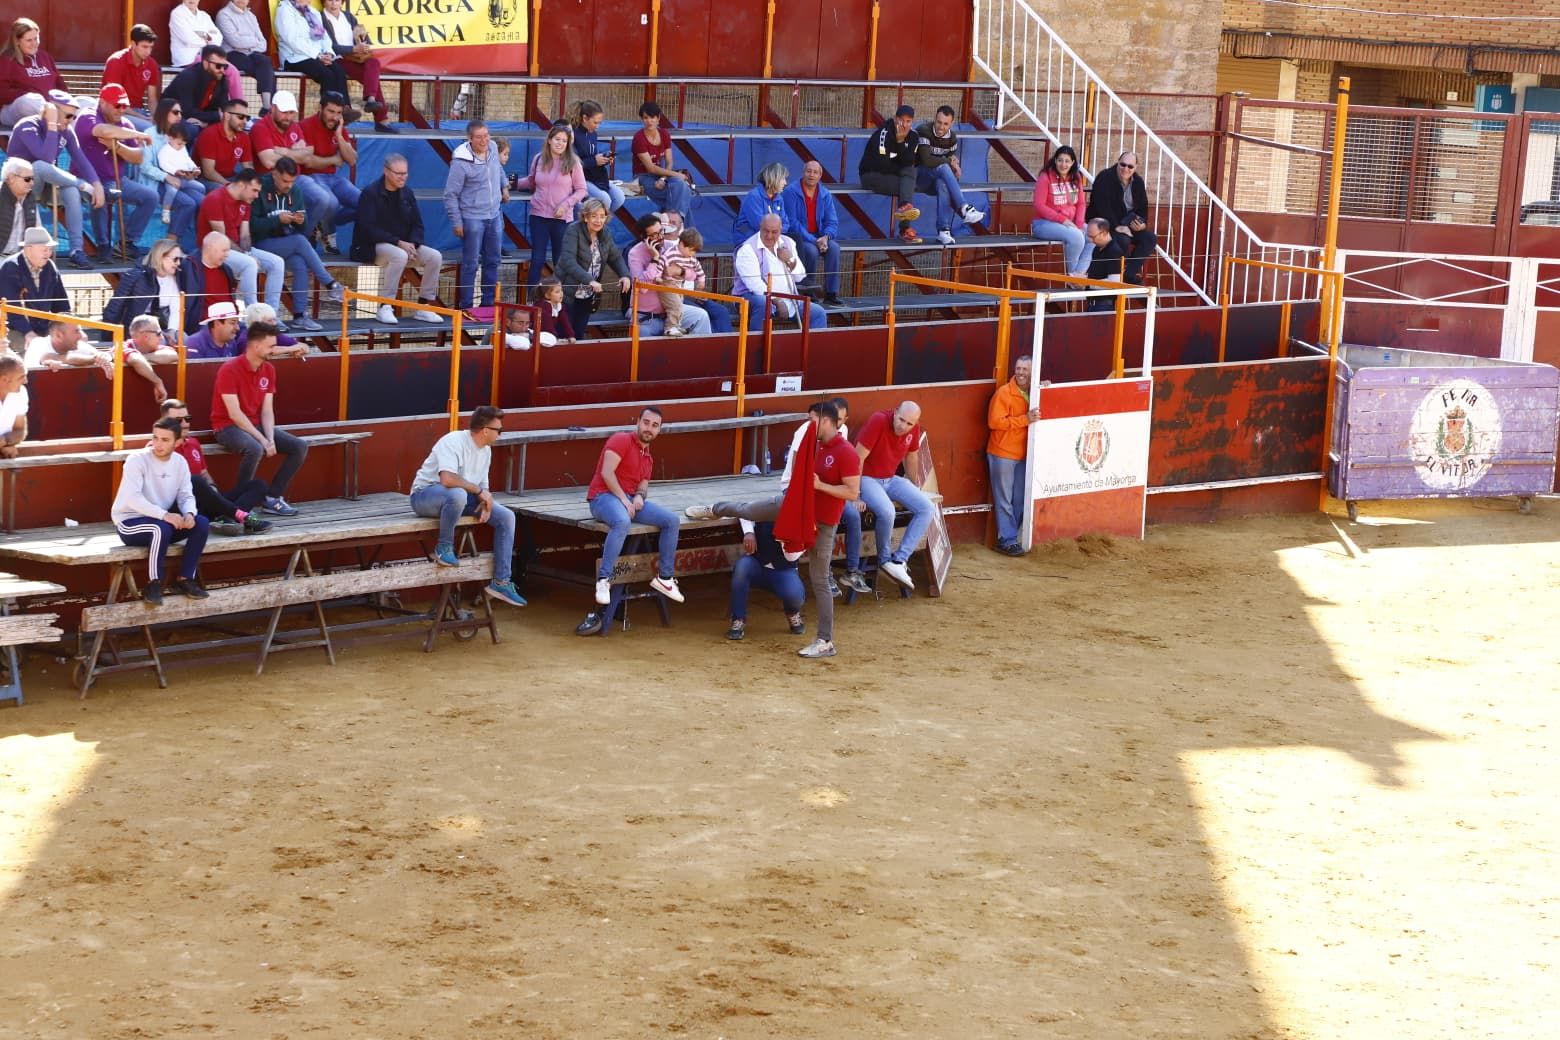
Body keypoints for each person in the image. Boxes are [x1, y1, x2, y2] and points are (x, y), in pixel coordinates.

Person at [686, 398, 868, 597]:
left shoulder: (840, 437)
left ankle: (851, 571)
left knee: (851, 516)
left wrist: (822, 487)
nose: (838, 423)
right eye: (836, 419)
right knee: (752, 513)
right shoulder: (808, 431)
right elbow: (798, 467)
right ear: (827, 419)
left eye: (841, 420)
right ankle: (714, 509)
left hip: (822, 503)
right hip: (796, 493)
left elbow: (848, 487)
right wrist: (806, 489)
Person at [409, 405, 528, 608]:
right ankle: (443, 547)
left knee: (506, 516)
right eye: (499, 430)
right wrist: (479, 492)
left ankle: (501, 582)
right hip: (424, 497)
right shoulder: (453, 441)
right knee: (458, 494)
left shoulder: (486, 450)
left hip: (460, 500)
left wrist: (485, 501)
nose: (500, 434)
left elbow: (483, 487)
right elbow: (447, 479)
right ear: (485, 430)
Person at [778, 401, 861, 659]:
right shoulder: (815, 446)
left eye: (812, 419)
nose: (809, 424)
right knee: (756, 509)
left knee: (820, 579)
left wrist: (820, 486)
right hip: (805, 515)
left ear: (825, 420)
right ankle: (715, 508)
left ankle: (825, 641)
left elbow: (852, 492)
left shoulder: (846, 452)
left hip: (824, 523)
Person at [585, 406, 684, 606]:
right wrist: (624, 500)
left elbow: (643, 486)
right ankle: (603, 580)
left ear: (659, 430)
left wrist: (639, 496)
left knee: (672, 521)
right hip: (602, 497)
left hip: (628, 500)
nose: (649, 428)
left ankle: (665, 578)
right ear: (637, 421)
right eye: (646, 422)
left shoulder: (648, 457)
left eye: (654, 425)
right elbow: (606, 472)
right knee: (622, 522)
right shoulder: (621, 440)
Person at [210, 319, 307, 516]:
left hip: (254, 424)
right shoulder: (229, 369)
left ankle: (273, 498)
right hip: (226, 426)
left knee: (299, 446)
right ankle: (240, 506)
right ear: (255, 346)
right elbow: (234, 414)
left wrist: (270, 438)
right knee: (255, 448)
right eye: (271, 346)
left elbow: (267, 411)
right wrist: (263, 440)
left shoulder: (269, 369)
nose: (275, 350)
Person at [111, 416, 211, 605]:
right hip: (129, 523)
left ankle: (185, 579)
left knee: (201, 523)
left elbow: (186, 495)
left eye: (165, 440)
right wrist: (165, 515)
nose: (158, 444)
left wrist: (189, 514)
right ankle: (153, 584)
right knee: (160, 528)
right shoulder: (136, 460)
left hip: (160, 521)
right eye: (155, 437)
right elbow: (132, 498)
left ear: (177, 442)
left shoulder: (180, 462)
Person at [5, 92, 105, 269]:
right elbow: (46, 158)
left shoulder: (66, 131)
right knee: (38, 166)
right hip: (20, 189)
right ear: (52, 110)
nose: (71, 121)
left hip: (44, 187)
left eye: (74, 117)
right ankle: (83, 186)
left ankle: (76, 251)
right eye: (68, 116)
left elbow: (81, 160)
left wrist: (97, 186)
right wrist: (52, 124)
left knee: (71, 190)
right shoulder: (27, 126)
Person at [252, 156, 348, 331]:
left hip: (284, 243)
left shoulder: (294, 190)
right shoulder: (260, 187)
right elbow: (252, 226)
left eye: (292, 181)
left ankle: (300, 315)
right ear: (274, 174)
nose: (289, 185)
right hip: (260, 244)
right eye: (285, 181)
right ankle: (330, 284)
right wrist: (277, 220)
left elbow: (302, 226)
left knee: (300, 264)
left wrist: (300, 221)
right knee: (300, 241)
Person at [351, 154, 444, 324]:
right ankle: (385, 306)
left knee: (435, 257)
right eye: (398, 173)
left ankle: (424, 306)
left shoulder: (407, 193)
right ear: (386, 171)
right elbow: (368, 229)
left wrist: (414, 243)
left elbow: (418, 224)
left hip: (403, 245)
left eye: (405, 173)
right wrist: (398, 243)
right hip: (371, 246)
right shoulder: (370, 193)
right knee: (399, 255)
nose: (403, 177)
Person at [161, 396, 272, 536]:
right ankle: (242, 518)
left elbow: (204, 473)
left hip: (210, 502)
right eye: (178, 420)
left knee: (259, 485)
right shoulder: (159, 448)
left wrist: (212, 487)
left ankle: (227, 518)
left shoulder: (193, 443)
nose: (185, 424)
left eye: (187, 419)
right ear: (164, 421)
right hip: (186, 508)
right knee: (195, 481)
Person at [855, 401, 933, 591]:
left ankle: (899, 560)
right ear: (895, 412)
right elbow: (858, 457)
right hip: (867, 478)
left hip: (891, 479)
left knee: (927, 507)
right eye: (901, 420)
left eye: (909, 423)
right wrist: (854, 493)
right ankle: (884, 561)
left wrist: (915, 487)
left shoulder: (914, 429)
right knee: (888, 512)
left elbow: (911, 457)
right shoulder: (879, 420)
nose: (903, 426)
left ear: (915, 423)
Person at [76, 85, 158, 260]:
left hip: (117, 179)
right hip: (86, 178)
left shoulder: (125, 124)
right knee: (104, 192)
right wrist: (138, 134)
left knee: (150, 197)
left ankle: (125, 243)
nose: (121, 110)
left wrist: (117, 146)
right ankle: (103, 245)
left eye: (124, 106)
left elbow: (138, 158)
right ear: (102, 102)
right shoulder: (88, 115)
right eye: (117, 105)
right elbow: (103, 130)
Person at [250, 90, 335, 239]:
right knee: (323, 199)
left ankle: (301, 237)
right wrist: (295, 152)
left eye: (291, 113)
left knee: (325, 200)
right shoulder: (260, 127)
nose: (288, 117)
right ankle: (298, 239)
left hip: (297, 177)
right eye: (284, 112)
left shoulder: (293, 126)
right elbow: (268, 161)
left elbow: (307, 156)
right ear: (273, 108)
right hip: (271, 179)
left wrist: (283, 151)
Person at [23, 319, 171, 403]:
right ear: (58, 335)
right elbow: (51, 358)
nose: (82, 336)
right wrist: (94, 359)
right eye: (76, 331)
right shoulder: (38, 344)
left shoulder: (78, 345)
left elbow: (102, 355)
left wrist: (102, 358)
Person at [199, 168, 284, 313]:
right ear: (241, 185)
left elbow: (245, 235)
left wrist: (248, 253)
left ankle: (271, 315)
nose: (257, 195)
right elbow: (221, 238)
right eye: (254, 190)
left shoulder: (246, 202)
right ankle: (254, 314)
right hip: (214, 250)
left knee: (277, 263)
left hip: (235, 249)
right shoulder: (215, 199)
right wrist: (247, 256)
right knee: (249, 264)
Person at [442, 120, 504, 310]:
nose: (484, 140)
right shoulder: (460, 163)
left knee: (493, 260)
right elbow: (450, 194)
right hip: (472, 217)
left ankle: (488, 304)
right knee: (471, 263)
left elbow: (498, 168)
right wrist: (457, 222)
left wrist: (504, 186)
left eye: (486, 135)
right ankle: (466, 306)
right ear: (469, 138)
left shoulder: (493, 148)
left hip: (494, 214)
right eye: (479, 137)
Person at [516, 124, 586, 288]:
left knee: (559, 260)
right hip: (538, 216)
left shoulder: (573, 163)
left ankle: (560, 297)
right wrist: (510, 183)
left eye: (564, 141)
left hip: (561, 218)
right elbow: (531, 181)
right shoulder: (539, 159)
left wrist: (565, 205)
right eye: (557, 139)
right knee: (537, 259)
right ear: (549, 140)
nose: (560, 143)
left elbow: (582, 190)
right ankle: (532, 298)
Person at [732, 214, 827, 332]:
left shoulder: (788, 242)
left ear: (780, 230)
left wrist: (790, 260)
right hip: (751, 298)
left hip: (789, 299)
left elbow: (799, 276)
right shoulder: (748, 249)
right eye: (766, 231)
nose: (769, 236)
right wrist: (777, 300)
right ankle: (756, 343)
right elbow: (755, 285)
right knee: (763, 304)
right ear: (760, 227)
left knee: (818, 313)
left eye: (774, 232)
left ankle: (812, 345)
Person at [987, 355, 1041, 556]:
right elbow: (994, 422)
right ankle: (1008, 539)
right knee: (1005, 499)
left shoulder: (1035, 391)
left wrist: (1046, 387)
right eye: (1018, 368)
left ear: (1032, 372)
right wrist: (1025, 419)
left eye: (1025, 369)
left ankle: (1009, 537)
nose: (1020, 373)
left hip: (1024, 454)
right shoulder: (1004, 393)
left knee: (1019, 499)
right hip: (1003, 453)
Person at [626, 213, 711, 337]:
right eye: (654, 235)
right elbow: (642, 288)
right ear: (643, 237)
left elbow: (693, 274)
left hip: (671, 310)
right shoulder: (635, 254)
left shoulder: (671, 247)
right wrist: (655, 259)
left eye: (661, 231)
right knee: (641, 334)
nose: (660, 237)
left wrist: (680, 272)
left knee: (701, 316)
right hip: (647, 316)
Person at [558, 198, 631, 340]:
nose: (598, 220)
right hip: (566, 292)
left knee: (579, 334)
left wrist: (625, 275)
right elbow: (568, 261)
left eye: (602, 216)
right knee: (564, 335)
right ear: (585, 217)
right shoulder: (573, 230)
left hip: (587, 295)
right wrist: (589, 280)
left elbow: (615, 257)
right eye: (594, 216)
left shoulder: (605, 232)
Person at [104, 238, 207, 335]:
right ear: (161, 257)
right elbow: (115, 306)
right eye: (175, 259)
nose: (179, 263)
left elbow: (176, 310)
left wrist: (172, 332)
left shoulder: (177, 278)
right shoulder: (135, 275)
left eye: (180, 259)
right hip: (135, 331)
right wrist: (108, 336)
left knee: (185, 339)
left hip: (162, 329)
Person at [297, 91, 360, 251]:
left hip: (333, 178)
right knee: (331, 202)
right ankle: (324, 231)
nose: (334, 117)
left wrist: (339, 136)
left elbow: (352, 159)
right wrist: (333, 160)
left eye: (339, 113)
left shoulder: (339, 127)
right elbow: (308, 161)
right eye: (331, 111)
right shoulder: (305, 125)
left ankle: (325, 222)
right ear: (320, 108)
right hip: (310, 176)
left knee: (365, 202)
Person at [320, 0, 395, 133]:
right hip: (337, 59)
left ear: (342, 2)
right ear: (324, 2)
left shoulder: (348, 16)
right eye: (329, 0)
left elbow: (366, 41)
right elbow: (329, 46)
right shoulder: (321, 18)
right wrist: (353, 49)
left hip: (355, 57)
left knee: (374, 63)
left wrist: (363, 41)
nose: (333, 3)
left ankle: (371, 99)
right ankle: (381, 118)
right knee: (372, 80)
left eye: (337, 0)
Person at [915, 105, 985, 245]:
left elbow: (950, 158)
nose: (941, 127)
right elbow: (926, 160)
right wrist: (949, 162)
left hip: (934, 181)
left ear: (951, 124)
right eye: (939, 122)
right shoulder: (924, 131)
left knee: (942, 184)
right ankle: (964, 207)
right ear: (935, 119)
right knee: (943, 166)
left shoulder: (952, 139)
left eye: (945, 124)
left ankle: (943, 230)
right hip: (918, 177)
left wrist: (954, 164)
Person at [725, 521, 806, 642]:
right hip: (757, 563)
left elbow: (792, 557)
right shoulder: (765, 509)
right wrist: (748, 532)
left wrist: (787, 538)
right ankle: (738, 619)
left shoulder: (797, 517)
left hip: (783, 569)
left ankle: (792, 612)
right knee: (742, 568)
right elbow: (745, 512)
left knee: (794, 596)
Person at [1086, 150, 1157, 284]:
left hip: (1128, 225)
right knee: (1123, 239)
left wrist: (1142, 224)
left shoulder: (1138, 182)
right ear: (1118, 163)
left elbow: (1143, 208)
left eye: (1130, 166)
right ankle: (1116, 274)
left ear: (1136, 167)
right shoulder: (1105, 177)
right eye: (1123, 164)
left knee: (1149, 238)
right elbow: (1102, 207)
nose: (1126, 169)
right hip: (1105, 224)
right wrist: (1117, 226)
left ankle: (1128, 273)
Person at [858, 104, 923, 244]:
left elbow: (910, 161)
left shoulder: (913, 136)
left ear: (912, 122)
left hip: (894, 175)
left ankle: (904, 207)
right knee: (908, 186)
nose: (904, 125)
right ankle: (904, 229)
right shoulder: (883, 134)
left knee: (909, 177)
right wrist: (902, 166)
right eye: (901, 120)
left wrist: (900, 142)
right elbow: (882, 165)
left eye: (908, 121)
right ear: (895, 119)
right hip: (871, 175)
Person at [781, 160, 842, 306]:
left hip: (820, 236)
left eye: (815, 172)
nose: (811, 175)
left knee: (834, 248)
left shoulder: (825, 194)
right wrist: (814, 240)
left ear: (820, 175)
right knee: (811, 251)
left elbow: (832, 221)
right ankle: (809, 291)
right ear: (803, 172)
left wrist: (826, 237)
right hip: (800, 237)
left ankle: (831, 293)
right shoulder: (790, 192)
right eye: (808, 171)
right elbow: (792, 222)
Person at [0, 227, 68, 353]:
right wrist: (28, 333)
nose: (48, 253)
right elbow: (11, 309)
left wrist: (68, 327)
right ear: (28, 249)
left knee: (67, 347)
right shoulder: (11, 267)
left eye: (50, 249)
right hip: (14, 329)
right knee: (35, 352)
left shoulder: (50, 267)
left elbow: (61, 303)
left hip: (43, 328)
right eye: (44, 249)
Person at [274, 0, 352, 104]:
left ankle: (344, 108)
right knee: (327, 74)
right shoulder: (285, 9)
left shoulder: (312, 11)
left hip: (317, 56)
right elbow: (291, 40)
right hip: (294, 57)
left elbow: (324, 37)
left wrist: (328, 53)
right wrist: (317, 55)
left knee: (339, 72)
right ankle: (328, 110)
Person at [1030, 145, 1090, 277]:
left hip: (1070, 223)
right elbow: (1039, 205)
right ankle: (1073, 277)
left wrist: (1079, 224)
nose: (1063, 164)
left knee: (1093, 235)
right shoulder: (1045, 177)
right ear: (1055, 160)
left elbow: (1081, 203)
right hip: (1044, 224)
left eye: (1067, 161)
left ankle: (1078, 274)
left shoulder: (1076, 177)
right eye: (1060, 160)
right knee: (1076, 237)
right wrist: (1063, 220)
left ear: (1073, 162)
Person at [169, 0, 243, 106]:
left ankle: (239, 107)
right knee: (218, 69)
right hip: (188, 59)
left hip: (208, 57)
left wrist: (201, 35)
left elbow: (218, 38)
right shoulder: (177, 14)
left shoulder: (204, 16)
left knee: (232, 71)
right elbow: (188, 38)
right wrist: (207, 37)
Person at [631, 101, 692, 224]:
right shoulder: (639, 138)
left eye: (652, 117)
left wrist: (663, 178)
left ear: (658, 118)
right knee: (681, 194)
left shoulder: (664, 134)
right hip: (643, 176)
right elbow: (650, 168)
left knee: (680, 187)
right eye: (645, 118)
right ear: (642, 119)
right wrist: (676, 174)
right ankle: (681, 230)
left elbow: (669, 162)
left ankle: (671, 226)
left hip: (661, 174)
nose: (649, 121)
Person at [214, 0, 277, 116]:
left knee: (266, 62)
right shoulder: (223, 15)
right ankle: (268, 110)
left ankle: (266, 106)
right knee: (265, 70)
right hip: (232, 54)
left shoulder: (251, 16)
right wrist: (254, 41)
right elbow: (235, 42)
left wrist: (245, 40)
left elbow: (263, 44)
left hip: (251, 53)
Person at [0, 17, 67, 127]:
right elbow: (2, 92)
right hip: (14, 109)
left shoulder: (45, 57)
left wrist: (64, 101)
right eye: (29, 40)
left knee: (84, 102)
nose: (34, 43)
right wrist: (29, 94)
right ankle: (57, 122)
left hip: (49, 106)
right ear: (17, 41)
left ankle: (68, 128)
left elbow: (59, 84)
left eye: (36, 39)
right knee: (31, 100)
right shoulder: (7, 60)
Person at [162, 44, 233, 142]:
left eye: (225, 67)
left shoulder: (222, 80)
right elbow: (187, 110)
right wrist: (216, 116)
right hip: (171, 116)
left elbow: (224, 110)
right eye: (218, 66)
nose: (222, 71)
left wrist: (207, 122)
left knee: (227, 129)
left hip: (196, 118)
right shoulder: (188, 77)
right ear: (205, 63)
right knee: (192, 129)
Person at [101, 23, 161, 129]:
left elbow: (152, 100)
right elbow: (114, 102)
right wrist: (142, 118)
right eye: (144, 47)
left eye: (151, 47)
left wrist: (156, 119)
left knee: (164, 130)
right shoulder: (116, 62)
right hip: (116, 112)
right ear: (133, 44)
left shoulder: (152, 64)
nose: (148, 51)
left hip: (139, 111)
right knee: (150, 129)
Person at [571, 99, 623, 214]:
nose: (598, 126)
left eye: (600, 123)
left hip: (596, 176)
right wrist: (594, 161)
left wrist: (604, 158)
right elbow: (572, 165)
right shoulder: (573, 135)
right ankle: (588, 222)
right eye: (595, 123)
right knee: (604, 199)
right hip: (582, 178)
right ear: (585, 118)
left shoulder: (593, 134)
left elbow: (592, 155)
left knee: (619, 197)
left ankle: (596, 222)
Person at [155, 122, 203, 229]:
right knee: (171, 191)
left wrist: (194, 168)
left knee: (201, 187)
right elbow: (163, 164)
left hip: (184, 177)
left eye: (183, 144)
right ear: (170, 138)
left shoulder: (182, 148)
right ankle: (166, 210)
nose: (181, 147)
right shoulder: (165, 150)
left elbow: (187, 160)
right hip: (171, 177)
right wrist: (175, 171)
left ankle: (194, 216)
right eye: (179, 144)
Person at [195, 97, 254, 185]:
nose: (245, 121)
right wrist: (229, 185)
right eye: (241, 117)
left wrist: (253, 182)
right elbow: (209, 172)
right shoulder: (210, 134)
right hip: (206, 180)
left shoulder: (244, 137)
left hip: (230, 177)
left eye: (247, 118)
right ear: (227, 116)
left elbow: (248, 166)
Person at [733, 162, 789, 242]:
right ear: (774, 178)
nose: (785, 183)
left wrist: (776, 231)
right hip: (749, 239)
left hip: (771, 238)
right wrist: (776, 230)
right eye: (783, 179)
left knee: (796, 239)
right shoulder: (753, 197)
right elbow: (759, 225)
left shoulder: (779, 198)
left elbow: (786, 223)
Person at [0, 157, 39, 259]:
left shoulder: (30, 199)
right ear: (11, 178)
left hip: (21, 259)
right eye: (27, 179)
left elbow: (38, 231)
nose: (32, 183)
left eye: (33, 179)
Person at [1083, 218, 1126, 311]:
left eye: (1093, 237)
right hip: (1093, 302)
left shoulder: (1114, 251)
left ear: (1104, 233)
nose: (1090, 240)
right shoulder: (1096, 249)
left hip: (1104, 304)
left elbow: (1114, 282)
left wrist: (1087, 284)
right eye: (1088, 236)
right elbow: (1094, 274)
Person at [0, 354, 28, 458]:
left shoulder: (21, 392)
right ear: (4, 380)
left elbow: (20, 431)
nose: (26, 381)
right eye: (21, 377)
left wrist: (5, 442)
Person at [535, 277, 576, 343]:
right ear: (547, 295)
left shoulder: (559, 305)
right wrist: (555, 338)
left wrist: (571, 335)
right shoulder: (544, 306)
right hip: (537, 335)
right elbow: (548, 326)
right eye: (557, 292)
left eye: (561, 290)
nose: (561, 293)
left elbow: (565, 322)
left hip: (548, 336)